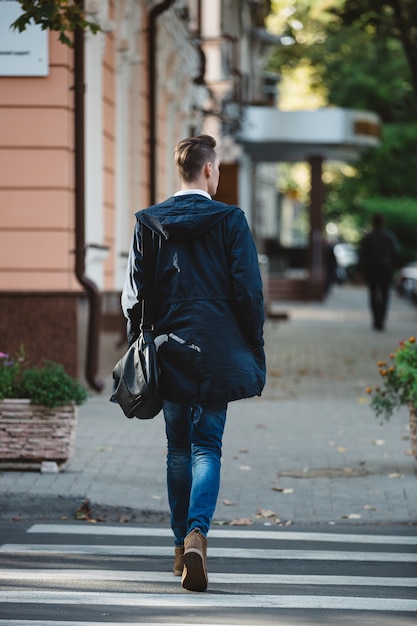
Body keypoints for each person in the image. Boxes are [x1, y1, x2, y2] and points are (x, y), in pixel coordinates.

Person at [121, 134, 266, 592]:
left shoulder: (148, 221)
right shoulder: (231, 220)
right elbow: (248, 290)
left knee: (178, 448)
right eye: (218, 167)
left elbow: (134, 295)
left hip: (170, 348)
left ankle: (180, 546)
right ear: (208, 170)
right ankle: (198, 534)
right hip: (220, 347)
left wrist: (140, 341)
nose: (218, 173)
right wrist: (252, 340)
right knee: (208, 446)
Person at [359, 213, 398, 331]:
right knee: (385, 295)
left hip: (372, 270)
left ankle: (376, 320)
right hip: (385, 269)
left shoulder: (368, 237)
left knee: (373, 295)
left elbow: (362, 255)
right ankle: (381, 320)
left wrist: (360, 271)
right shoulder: (389, 237)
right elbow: (395, 253)